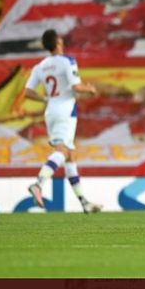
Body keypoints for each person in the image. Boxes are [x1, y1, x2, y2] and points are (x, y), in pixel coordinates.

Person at [25, 29, 101, 213]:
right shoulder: (67, 61)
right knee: (62, 150)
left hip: (51, 110)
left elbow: (28, 92)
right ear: (58, 42)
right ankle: (38, 184)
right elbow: (76, 86)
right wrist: (89, 89)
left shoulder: (40, 66)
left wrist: (45, 100)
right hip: (65, 111)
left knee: (70, 155)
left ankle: (84, 203)